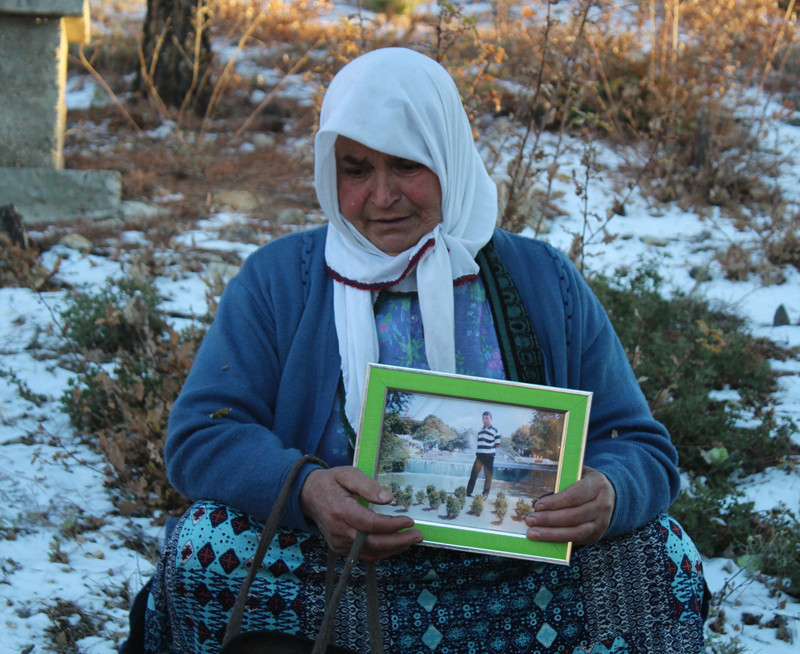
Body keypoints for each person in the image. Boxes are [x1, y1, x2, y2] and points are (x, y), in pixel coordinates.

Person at [139, 47, 708, 653]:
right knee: (204, 546)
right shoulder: (281, 280)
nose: (382, 196)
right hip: (335, 566)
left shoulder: (543, 280)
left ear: (448, 156)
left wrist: (609, 493)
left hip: (516, 576)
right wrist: (306, 488)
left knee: (660, 553)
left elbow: (640, 445)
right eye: (355, 169)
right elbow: (202, 433)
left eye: (407, 165)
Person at [466, 411, 500, 499]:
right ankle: (468, 492)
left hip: (489, 457)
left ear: (491, 419)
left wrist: (488, 450)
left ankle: (485, 494)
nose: (484, 420)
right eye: (483, 418)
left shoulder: (495, 431)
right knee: (473, 474)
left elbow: (497, 445)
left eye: (486, 418)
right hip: (479, 457)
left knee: (488, 476)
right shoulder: (480, 431)